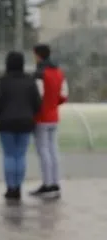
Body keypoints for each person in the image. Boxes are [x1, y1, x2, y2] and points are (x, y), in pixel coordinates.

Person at [0, 51, 41, 201]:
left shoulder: (2, 81)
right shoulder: (30, 81)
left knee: (9, 155)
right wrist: (30, 114)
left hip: (6, 123)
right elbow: (37, 103)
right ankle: (18, 186)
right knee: (20, 155)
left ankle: (10, 188)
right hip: (26, 122)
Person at [31, 43, 68, 199]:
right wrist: (53, 105)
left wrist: (38, 110)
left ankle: (47, 184)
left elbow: (37, 96)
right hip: (54, 116)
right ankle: (55, 181)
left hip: (41, 117)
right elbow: (64, 95)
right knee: (53, 150)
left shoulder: (40, 73)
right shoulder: (59, 72)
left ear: (38, 55)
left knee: (43, 150)